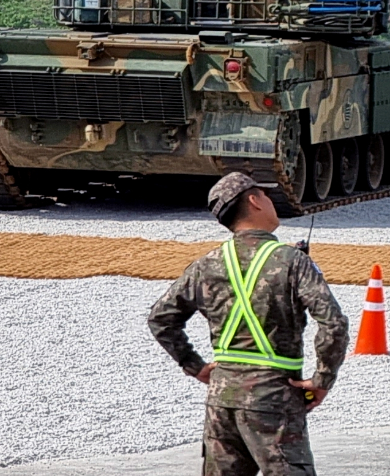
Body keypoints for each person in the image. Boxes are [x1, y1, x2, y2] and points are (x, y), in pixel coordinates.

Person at [148, 172, 350, 475]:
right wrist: (322, 380)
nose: (270, 201)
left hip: (221, 401)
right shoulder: (292, 261)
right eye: (266, 195)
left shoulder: (207, 263)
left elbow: (161, 318)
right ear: (254, 200)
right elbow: (333, 323)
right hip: (275, 399)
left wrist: (196, 366)